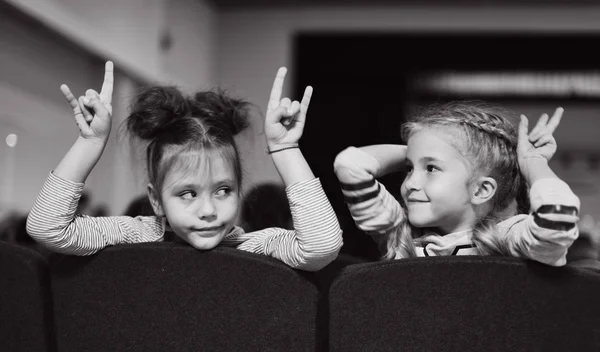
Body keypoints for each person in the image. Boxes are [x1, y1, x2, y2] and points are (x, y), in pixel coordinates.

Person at [26, 62, 342, 271]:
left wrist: (285, 149)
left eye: (223, 190)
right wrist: (90, 143)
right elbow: (46, 228)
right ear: (155, 199)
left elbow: (322, 246)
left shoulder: (252, 247)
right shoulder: (132, 234)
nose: (208, 211)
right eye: (188, 193)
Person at [334, 101, 579, 266]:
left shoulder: (507, 238)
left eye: (431, 169)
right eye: (409, 169)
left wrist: (531, 162)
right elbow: (350, 165)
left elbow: (557, 219)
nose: (410, 183)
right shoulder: (399, 234)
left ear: (481, 190)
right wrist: (425, 147)